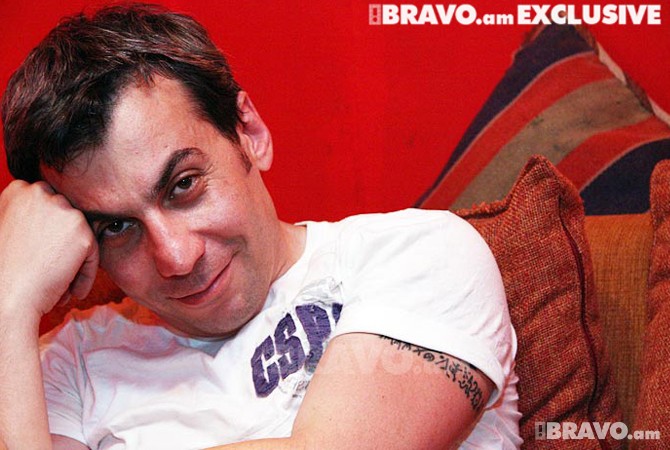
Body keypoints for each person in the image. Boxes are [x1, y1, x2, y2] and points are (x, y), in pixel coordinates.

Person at [0, 4, 521, 449]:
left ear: (249, 133)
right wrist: (9, 301)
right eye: (116, 226)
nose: (176, 257)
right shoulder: (71, 365)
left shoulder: (416, 255)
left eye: (183, 185)